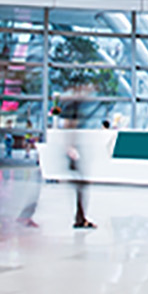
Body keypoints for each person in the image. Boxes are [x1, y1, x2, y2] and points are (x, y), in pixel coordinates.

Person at [59, 87, 97, 229]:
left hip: (75, 150)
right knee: (81, 185)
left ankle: (80, 217)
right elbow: (69, 127)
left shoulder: (77, 107)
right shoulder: (73, 107)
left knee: (81, 185)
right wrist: (70, 148)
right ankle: (80, 218)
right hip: (73, 151)